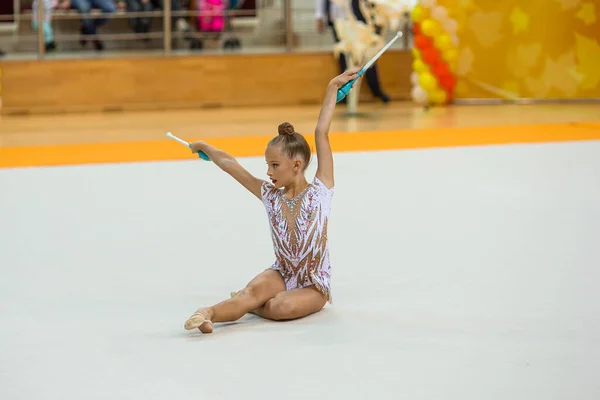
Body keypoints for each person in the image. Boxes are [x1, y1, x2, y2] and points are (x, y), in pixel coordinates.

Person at [183, 68, 361, 334]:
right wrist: (204, 147)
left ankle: (251, 306)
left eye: (275, 165)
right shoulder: (270, 196)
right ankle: (208, 313)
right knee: (249, 293)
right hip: (283, 272)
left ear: (297, 165)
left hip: (314, 284)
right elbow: (233, 166)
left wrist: (333, 87)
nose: (268, 172)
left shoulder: (320, 192)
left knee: (280, 307)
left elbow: (321, 132)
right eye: (268, 164)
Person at [316, 0, 390, 103]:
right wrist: (320, 16)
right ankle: (345, 93)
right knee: (343, 56)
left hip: (357, 18)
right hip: (337, 20)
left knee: (366, 55)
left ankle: (375, 89)